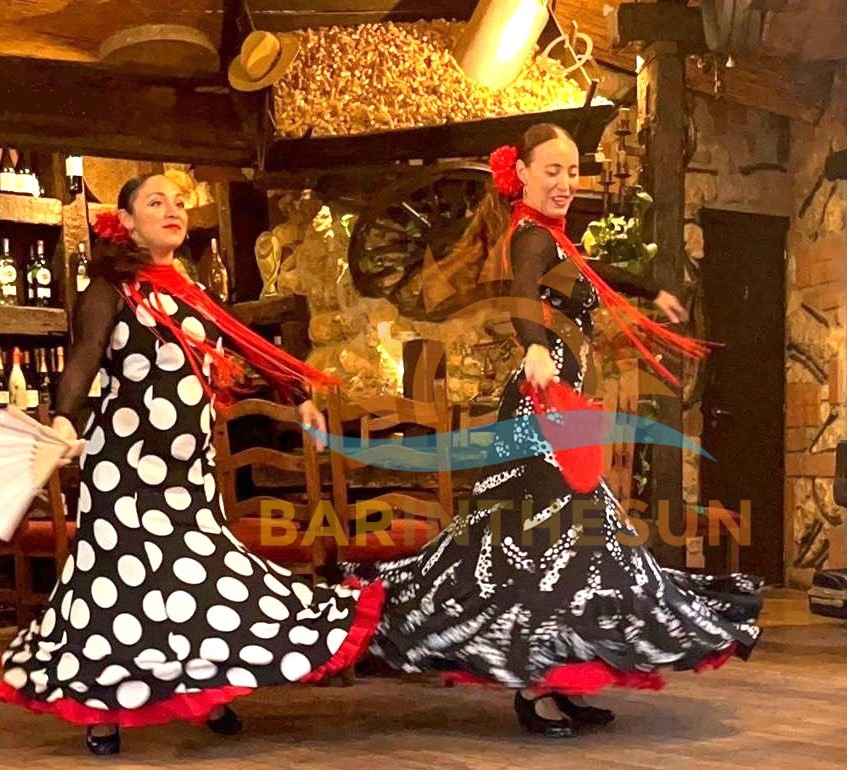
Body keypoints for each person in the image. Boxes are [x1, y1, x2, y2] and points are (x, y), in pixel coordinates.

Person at [351, 123, 763, 738]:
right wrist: (536, 346)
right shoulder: (530, 238)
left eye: (572, 171)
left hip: (560, 408)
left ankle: (557, 680)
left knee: (574, 551)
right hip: (539, 410)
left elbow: (596, 275)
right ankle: (532, 690)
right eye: (553, 170)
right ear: (521, 174)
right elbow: (523, 294)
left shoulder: (554, 240)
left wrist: (654, 290)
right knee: (548, 547)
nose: (566, 182)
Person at [0, 174, 383, 755]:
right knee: (119, 590)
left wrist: (296, 393)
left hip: (189, 474)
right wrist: (65, 419)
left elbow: (242, 346)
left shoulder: (191, 290)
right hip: (126, 473)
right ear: (126, 222)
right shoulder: (111, 288)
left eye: (179, 202)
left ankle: (208, 690)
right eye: (156, 202)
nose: (173, 210)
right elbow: (83, 359)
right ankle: (102, 711)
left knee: (203, 577)